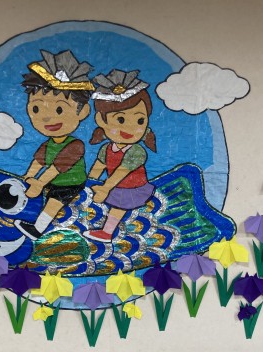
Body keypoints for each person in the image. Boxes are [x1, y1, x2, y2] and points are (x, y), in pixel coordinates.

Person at [15, 49, 94, 240]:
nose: (46, 117)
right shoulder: (48, 143)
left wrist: (39, 183)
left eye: (59, 109)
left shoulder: (76, 145)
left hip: (71, 183)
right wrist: (28, 177)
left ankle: (37, 229)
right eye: (36, 108)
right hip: (53, 181)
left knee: (54, 202)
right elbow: (38, 161)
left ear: (83, 112)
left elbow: (57, 167)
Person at [84, 70, 157, 243]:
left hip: (133, 190)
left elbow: (121, 172)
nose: (130, 128)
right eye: (121, 120)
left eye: (140, 121)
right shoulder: (106, 148)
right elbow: (97, 169)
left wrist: (105, 188)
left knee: (119, 205)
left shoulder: (137, 151)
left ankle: (107, 233)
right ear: (101, 120)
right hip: (115, 186)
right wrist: (88, 185)